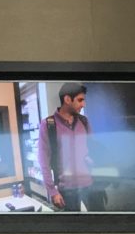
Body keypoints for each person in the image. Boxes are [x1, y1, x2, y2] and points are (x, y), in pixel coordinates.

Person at [37, 82, 96, 211]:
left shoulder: (84, 121)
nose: (83, 104)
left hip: (90, 185)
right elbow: (43, 161)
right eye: (80, 100)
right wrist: (52, 191)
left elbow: (94, 150)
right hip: (67, 190)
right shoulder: (48, 125)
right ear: (67, 99)